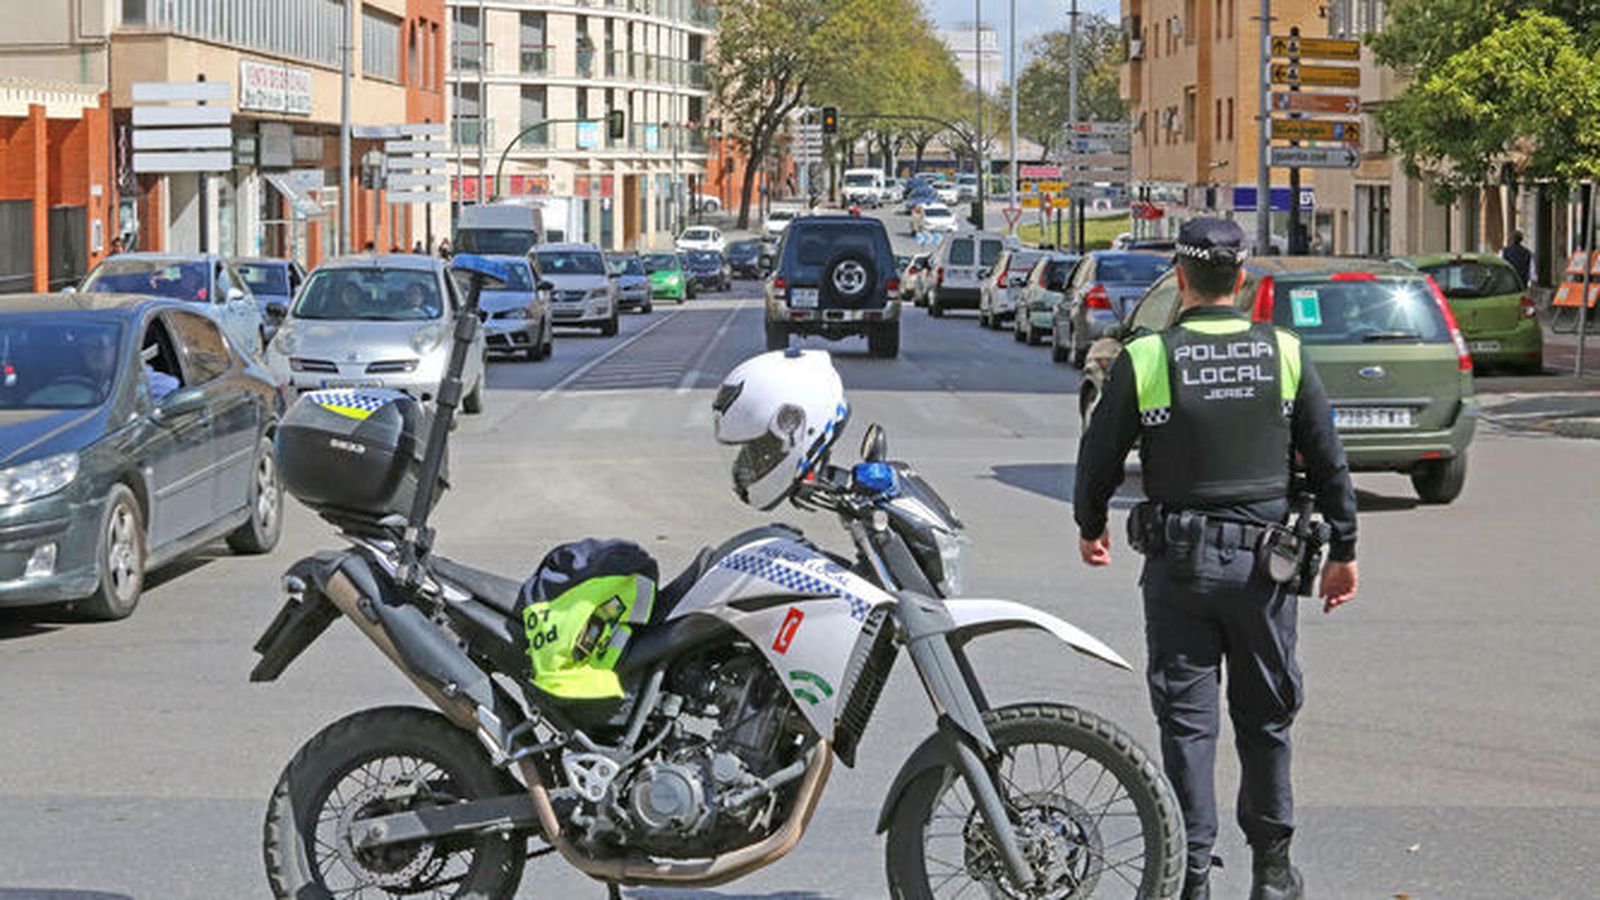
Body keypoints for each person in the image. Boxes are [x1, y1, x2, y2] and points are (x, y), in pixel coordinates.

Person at [1073, 217, 1359, 900]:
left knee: (1187, 726)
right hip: (1268, 572)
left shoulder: (1146, 358)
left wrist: (1091, 526)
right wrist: (1344, 549)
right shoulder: (1285, 351)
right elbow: (1328, 461)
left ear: (1178, 281)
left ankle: (1192, 873)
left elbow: (1098, 457)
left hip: (1179, 570)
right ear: (1243, 280)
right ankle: (1273, 872)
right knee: (1266, 720)